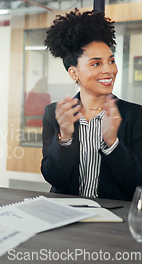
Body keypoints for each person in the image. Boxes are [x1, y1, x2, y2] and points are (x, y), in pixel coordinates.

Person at [41, 9, 142, 201]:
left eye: (111, 61)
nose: (109, 70)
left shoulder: (135, 115)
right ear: (74, 73)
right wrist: (65, 136)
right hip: (66, 213)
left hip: (114, 219)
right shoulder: (55, 113)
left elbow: (136, 183)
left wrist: (112, 142)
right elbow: (54, 178)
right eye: (96, 64)